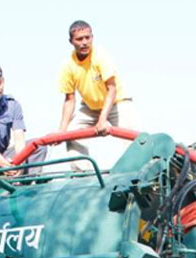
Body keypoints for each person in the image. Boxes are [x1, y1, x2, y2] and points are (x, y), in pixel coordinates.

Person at [57, 20, 139, 162]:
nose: (84, 42)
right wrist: (61, 130)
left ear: (92, 38)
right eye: (79, 39)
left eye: (87, 38)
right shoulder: (68, 65)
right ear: (71, 41)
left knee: (135, 140)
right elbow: (70, 100)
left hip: (116, 102)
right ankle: (82, 175)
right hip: (90, 107)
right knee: (70, 134)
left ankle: (137, 175)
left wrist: (102, 120)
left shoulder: (100, 55)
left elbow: (111, 89)